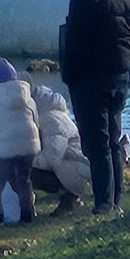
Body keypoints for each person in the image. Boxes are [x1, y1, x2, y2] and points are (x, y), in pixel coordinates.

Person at [61, 0, 130, 215]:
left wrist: (70, 76)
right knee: (114, 138)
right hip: (121, 76)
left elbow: (75, 43)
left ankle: (103, 203)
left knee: (96, 145)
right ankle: (116, 200)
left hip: (89, 79)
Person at [0, 58, 40, 225]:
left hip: (7, 150)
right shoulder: (27, 95)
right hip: (30, 146)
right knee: (23, 180)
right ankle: (27, 217)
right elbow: (36, 120)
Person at [31, 86, 91, 216]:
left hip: (79, 170)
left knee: (28, 173)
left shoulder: (49, 120)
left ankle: (71, 196)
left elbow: (53, 156)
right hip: (81, 165)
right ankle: (70, 198)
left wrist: (29, 162)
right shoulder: (54, 114)